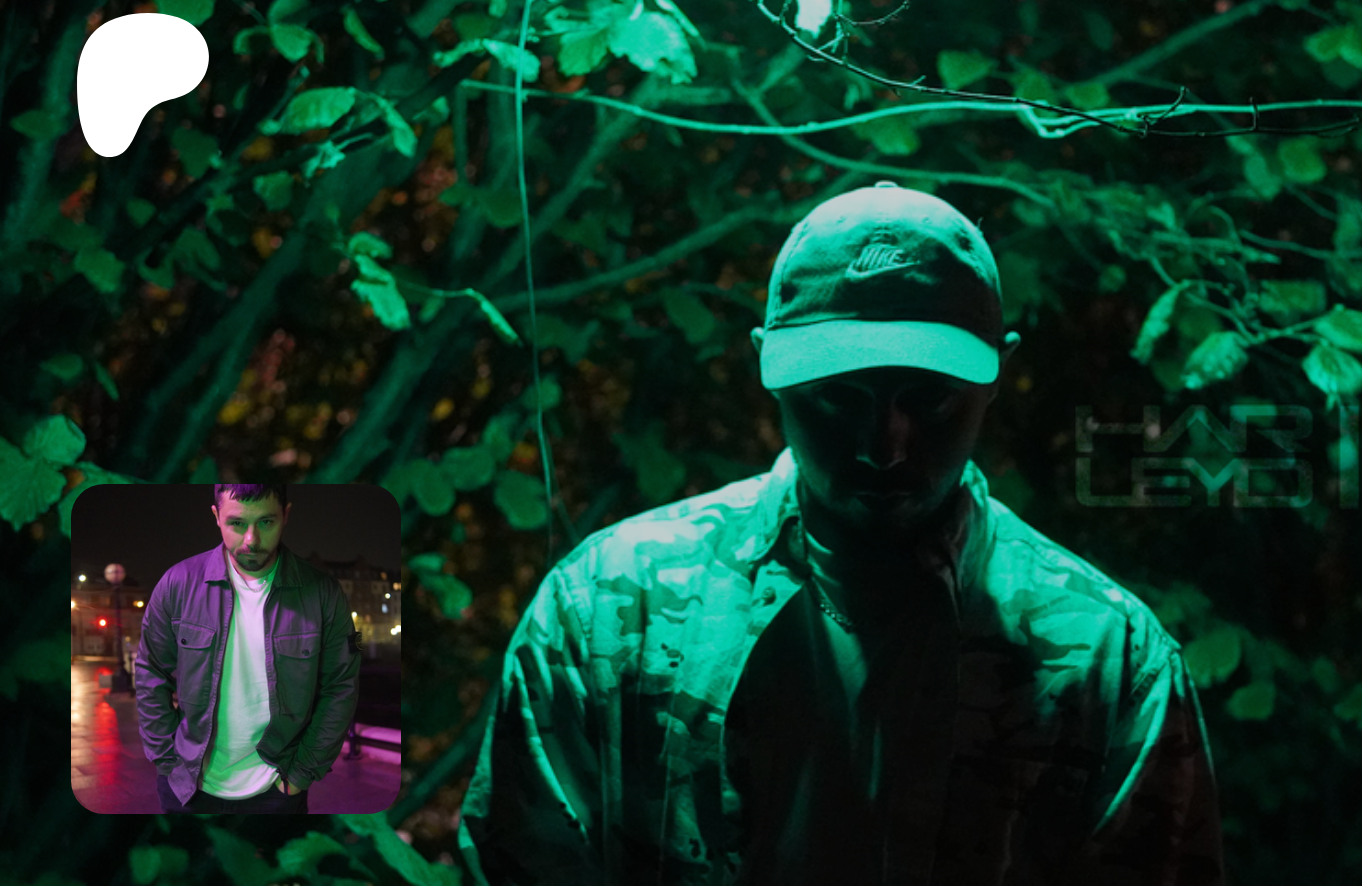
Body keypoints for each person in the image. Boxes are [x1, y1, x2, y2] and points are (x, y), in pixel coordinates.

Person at [458, 182, 1224, 884]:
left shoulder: (1107, 657)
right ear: (767, 366)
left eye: (928, 397)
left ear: (999, 372)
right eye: (835, 396)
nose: (882, 444)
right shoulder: (608, 607)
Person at [135, 484, 361, 814]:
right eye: (237, 523)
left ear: (285, 515)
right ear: (216, 516)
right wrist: (167, 761)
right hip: (187, 786)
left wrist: (301, 774)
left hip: (278, 789)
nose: (251, 539)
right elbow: (150, 671)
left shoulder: (323, 593)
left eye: (266, 522)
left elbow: (341, 686)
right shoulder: (177, 583)